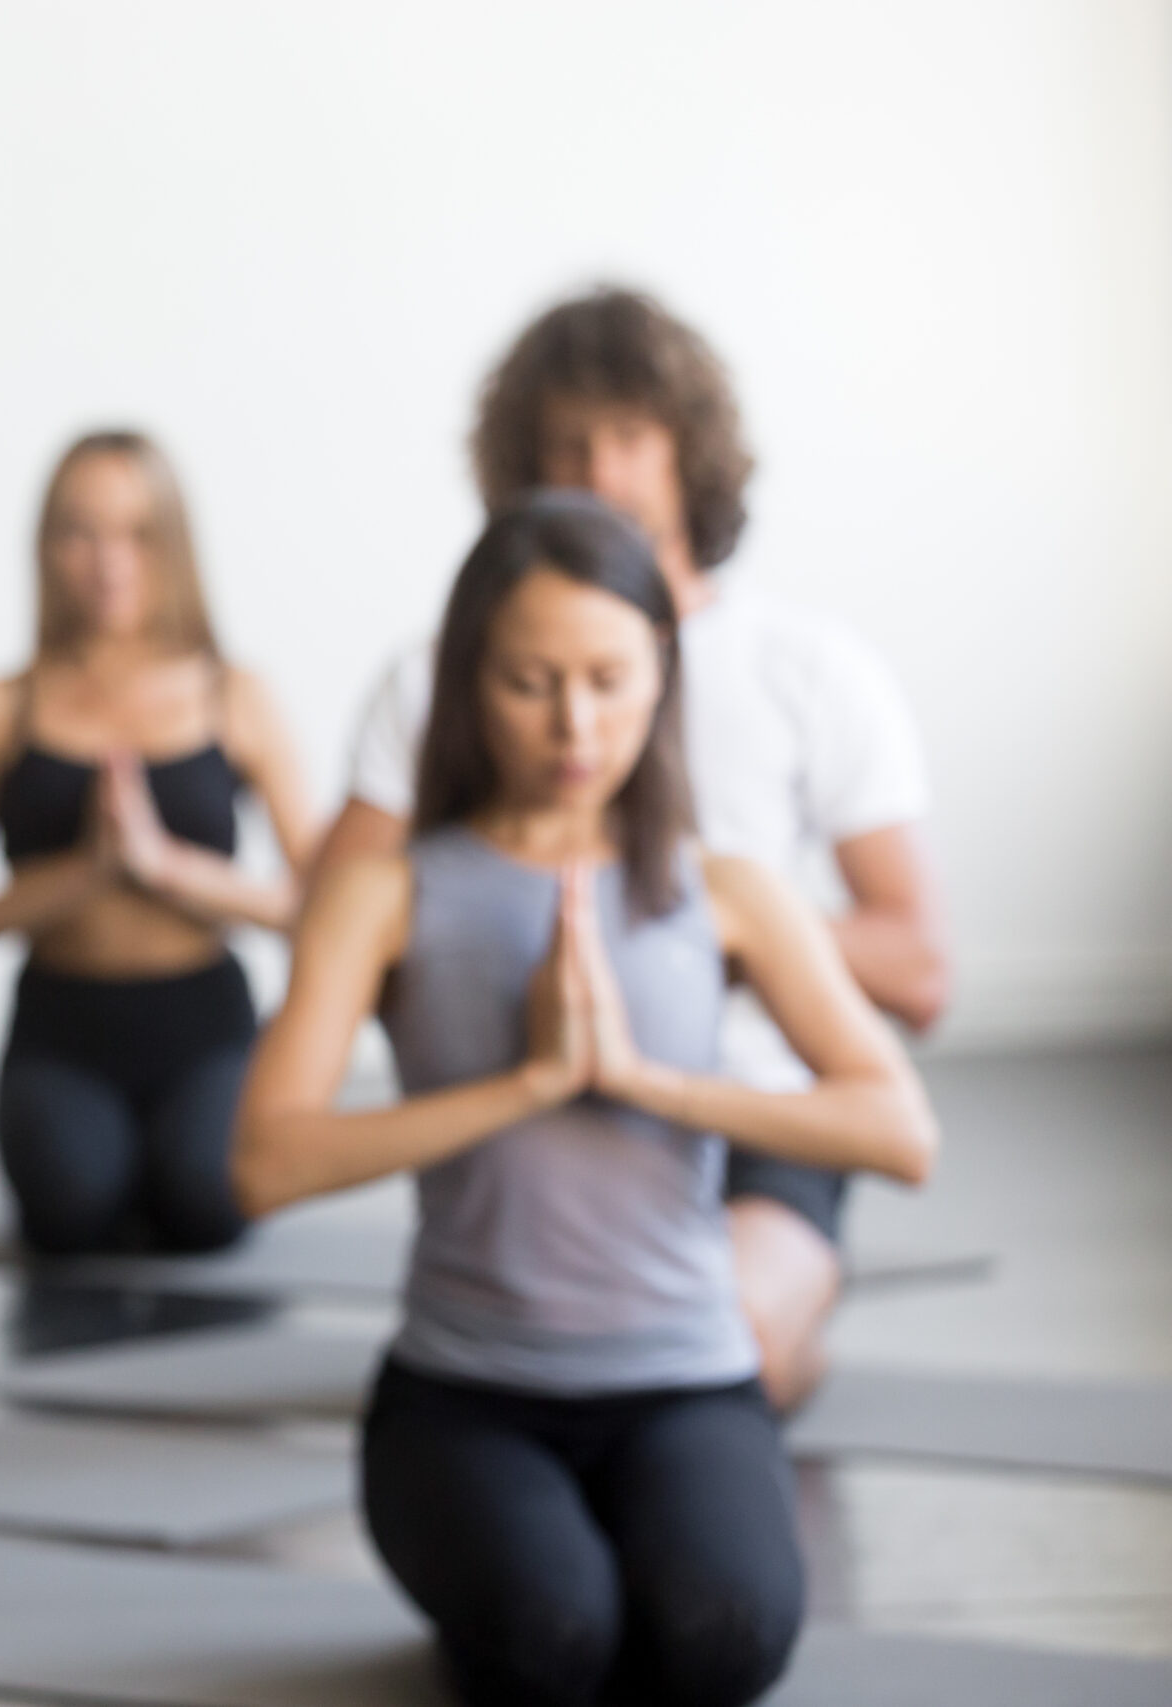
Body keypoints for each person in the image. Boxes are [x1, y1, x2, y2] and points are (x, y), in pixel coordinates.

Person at [234, 492, 938, 1707]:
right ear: (467, 682)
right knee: (555, 1643)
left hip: (686, 1381)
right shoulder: (385, 893)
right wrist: (527, 1085)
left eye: (609, 679)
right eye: (530, 682)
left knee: (723, 1642)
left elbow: (899, 1132)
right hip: (465, 1398)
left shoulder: (727, 890)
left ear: (662, 674)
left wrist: (642, 1082)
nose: (575, 723)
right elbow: (263, 1163)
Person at [312, 287, 948, 1408]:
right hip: (520, 1109)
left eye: (628, 437)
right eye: (566, 444)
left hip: (752, 1115)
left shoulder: (807, 669)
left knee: (718, 1346)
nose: (598, 472)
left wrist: (689, 946)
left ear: (687, 452)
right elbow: (334, 930)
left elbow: (920, 971)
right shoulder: (432, 681)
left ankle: (790, 1316)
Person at [0, 430, 317, 1255]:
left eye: (137, 532)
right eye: (80, 532)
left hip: (204, 1021)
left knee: (209, 1203)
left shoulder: (235, 695)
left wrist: (164, 866)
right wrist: (83, 872)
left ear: (173, 543)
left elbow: (316, 910)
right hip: (62, 1027)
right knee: (69, 1209)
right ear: (47, 546)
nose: (110, 561)